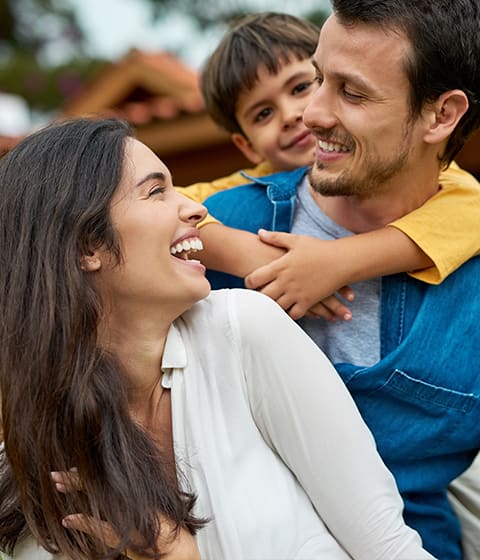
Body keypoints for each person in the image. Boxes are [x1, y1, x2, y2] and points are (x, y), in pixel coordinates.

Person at [0, 117, 436, 560]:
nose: (194, 208)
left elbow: (388, 547)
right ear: (86, 248)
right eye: (156, 192)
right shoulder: (37, 473)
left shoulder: (241, 330)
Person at [197, 2, 480, 559]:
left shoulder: (469, 244)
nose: (309, 114)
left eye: (351, 92)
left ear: (442, 115)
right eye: (319, 77)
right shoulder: (210, 224)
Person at [178, 12, 480, 322]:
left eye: (300, 88)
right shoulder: (248, 191)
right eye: (263, 114)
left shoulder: (438, 175)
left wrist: (337, 261)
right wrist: (256, 256)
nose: (296, 115)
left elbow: (473, 215)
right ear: (247, 146)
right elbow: (158, 207)